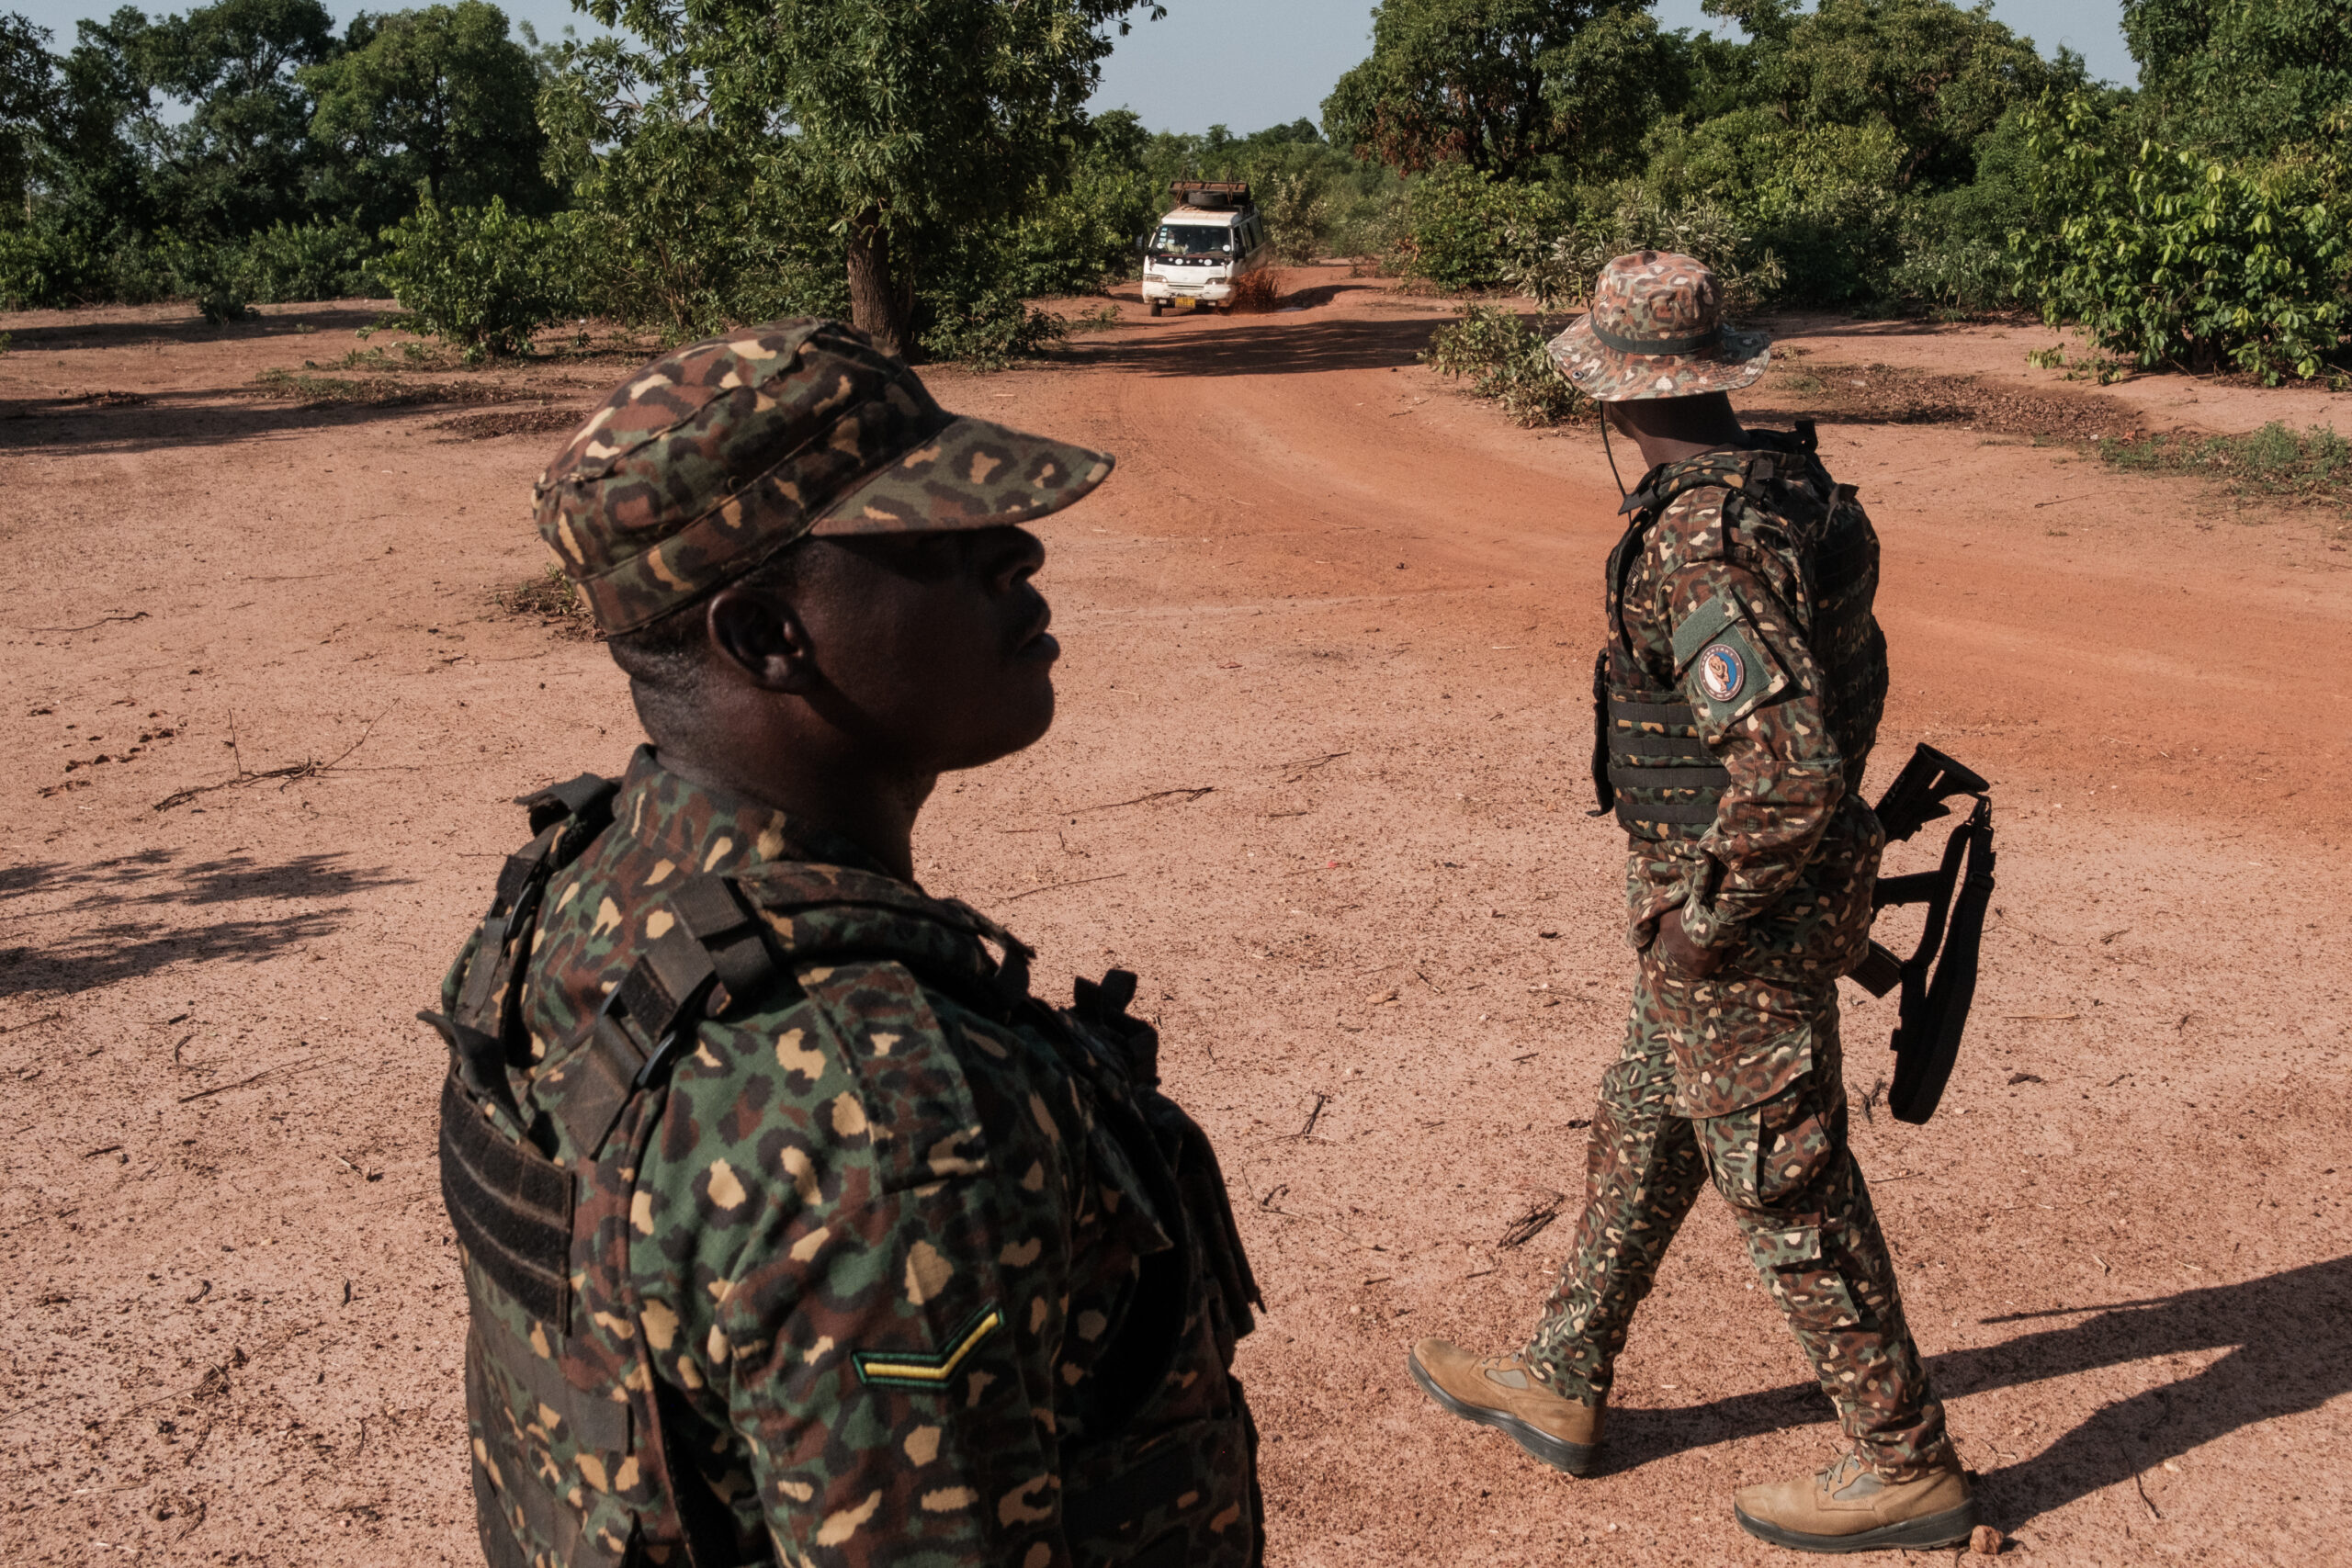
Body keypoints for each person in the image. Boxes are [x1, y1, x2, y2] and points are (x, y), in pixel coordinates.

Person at [427, 320, 1263, 1568]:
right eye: (932, 538)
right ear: (768, 635)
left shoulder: (585, 893)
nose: (1019, 548)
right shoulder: (883, 1130)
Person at [1405, 253, 1975, 1554]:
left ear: (1612, 394)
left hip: (1741, 910)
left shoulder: (1698, 536)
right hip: (1757, 894)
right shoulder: (1788, 488)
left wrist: (1700, 918)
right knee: (1649, 1116)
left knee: (1784, 1179)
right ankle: (1564, 1369)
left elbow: (1789, 774)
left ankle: (1907, 1461)